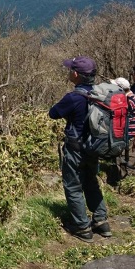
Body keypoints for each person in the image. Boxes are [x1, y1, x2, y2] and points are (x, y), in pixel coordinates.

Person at [49, 56, 111, 242]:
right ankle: (101, 221)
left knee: (73, 186)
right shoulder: (102, 95)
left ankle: (82, 227)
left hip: (76, 149)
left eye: (70, 70)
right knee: (91, 181)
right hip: (95, 147)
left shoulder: (74, 97)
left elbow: (53, 113)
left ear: (76, 74)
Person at [112, 77, 135, 174]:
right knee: (131, 154)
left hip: (131, 132)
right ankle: (127, 174)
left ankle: (123, 175)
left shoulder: (128, 99)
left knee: (124, 154)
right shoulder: (133, 97)